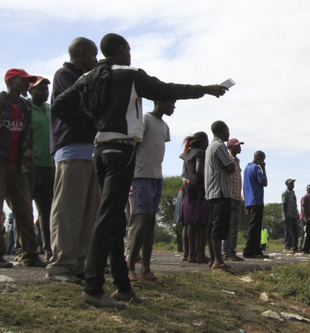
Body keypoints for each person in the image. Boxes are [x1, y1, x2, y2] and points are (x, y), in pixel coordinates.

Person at [52, 33, 228, 309]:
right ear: (121, 50)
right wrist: (204, 88)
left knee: (116, 221)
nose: (131, 55)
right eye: (129, 50)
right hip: (121, 152)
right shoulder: (130, 75)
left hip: (99, 150)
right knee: (107, 219)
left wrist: (92, 125)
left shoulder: (89, 77)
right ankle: (94, 288)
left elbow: (60, 104)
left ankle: (123, 287)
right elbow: (166, 89)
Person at [46, 37, 100, 284]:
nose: (95, 61)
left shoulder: (88, 77)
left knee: (87, 213)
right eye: (92, 55)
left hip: (89, 151)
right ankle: (60, 264)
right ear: (80, 55)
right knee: (68, 211)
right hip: (71, 150)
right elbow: (77, 105)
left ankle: (77, 263)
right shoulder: (64, 75)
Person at [126, 100, 175, 287]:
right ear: (158, 101)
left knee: (151, 222)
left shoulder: (165, 126)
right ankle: (130, 267)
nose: (173, 107)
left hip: (156, 177)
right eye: (171, 103)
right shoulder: (145, 120)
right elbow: (134, 146)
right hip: (141, 176)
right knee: (141, 220)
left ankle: (145, 269)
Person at [0, 68, 45, 268]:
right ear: (11, 81)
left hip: (19, 166)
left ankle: (30, 256)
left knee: (26, 211)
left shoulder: (25, 107)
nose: (27, 85)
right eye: (24, 80)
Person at [26, 76, 54, 261]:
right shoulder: (25, 109)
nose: (44, 92)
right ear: (30, 91)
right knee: (25, 210)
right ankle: (27, 251)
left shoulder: (51, 110)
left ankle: (50, 251)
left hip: (49, 166)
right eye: (40, 89)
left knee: (48, 212)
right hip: (29, 167)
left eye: (46, 89)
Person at [204, 120, 237, 273]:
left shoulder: (210, 147)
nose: (228, 133)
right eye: (227, 130)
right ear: (222, 131)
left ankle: (213, 259)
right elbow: (230, 167)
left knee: (212, 227)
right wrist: (232, 163)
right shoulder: (219, 146)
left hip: (212, 192)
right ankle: (218, 260)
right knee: (218, 228)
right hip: (221, 192)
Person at [179, 132, 210, 264]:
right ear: (203, 141)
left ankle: (188, 254)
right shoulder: (201, 153)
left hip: (187, 189)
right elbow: (199, 170)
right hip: (198, 189)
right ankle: (199, 254)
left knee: (188, 223)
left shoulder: (188, 152)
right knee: (201, 223)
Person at [222, 138, 244, 262]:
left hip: (236, 197)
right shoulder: (229, 160)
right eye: (237, 145)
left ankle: (232, 251)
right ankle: (226, 252)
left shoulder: (237, 161)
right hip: (230, 197)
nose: (239, 147)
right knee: (228, 226)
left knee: (235, 226)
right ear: (230, 147)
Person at [243, 150, 267, 259]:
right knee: (255, 227)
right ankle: (249, 250)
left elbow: (244, 187)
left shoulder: (247, 168)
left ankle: (257, 250)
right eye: (263, 159)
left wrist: (246, 203)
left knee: (256, 226)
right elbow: (264, 183)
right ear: (259, 158)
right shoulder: (256, 168)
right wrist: (263, 168)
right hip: (256, 200)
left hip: (250, 200)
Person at [281, 179, 299, 254]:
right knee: (288, 232)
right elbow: (283, 205)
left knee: (295, 232)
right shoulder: (285, 193)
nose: (292, 185)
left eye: (293, 183)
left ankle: (294, 247)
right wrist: (284, 216)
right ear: (287, 185)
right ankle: (287, 247)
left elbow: (295, 205)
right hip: (288, 215)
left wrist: (297, 214)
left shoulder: (293, 193)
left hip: (294, 215)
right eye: (291, 183)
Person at [299, 184, 310, 254]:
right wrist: (305, 218)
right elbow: (303, 207)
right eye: (309, 189)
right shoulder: (304, 198)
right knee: (305, 234)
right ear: (307, 189)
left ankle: (307, 249)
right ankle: (302, 248)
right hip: (305, 219)